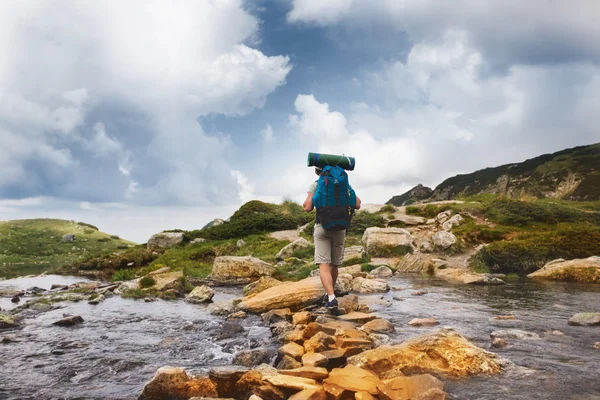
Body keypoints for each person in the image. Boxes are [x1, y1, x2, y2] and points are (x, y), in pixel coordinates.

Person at [303, 167, 361, 308]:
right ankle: (330, 294)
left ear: (318, 171)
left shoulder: (316, 184)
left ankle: (330, 297)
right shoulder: (344, 184)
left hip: (322, 227)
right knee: (334, 264)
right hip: (340, 228)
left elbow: (307, 207)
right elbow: (357, 204)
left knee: (324, 264)